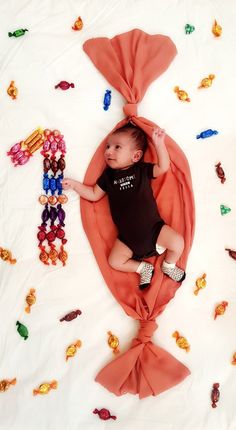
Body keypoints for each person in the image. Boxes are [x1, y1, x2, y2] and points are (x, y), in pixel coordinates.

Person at [62, 124, 185, 290]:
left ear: (136, 156)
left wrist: (159, 144)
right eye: (107, 147)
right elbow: (93, 194)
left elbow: (163, 167)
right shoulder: (108, 176)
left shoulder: (141, 170)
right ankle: (142, 268)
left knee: (178, 242)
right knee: (114, 261)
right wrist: (75, 185)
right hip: (128, 240)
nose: (108, 151)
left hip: (154, 231)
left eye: (117, 147)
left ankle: (169, 265)